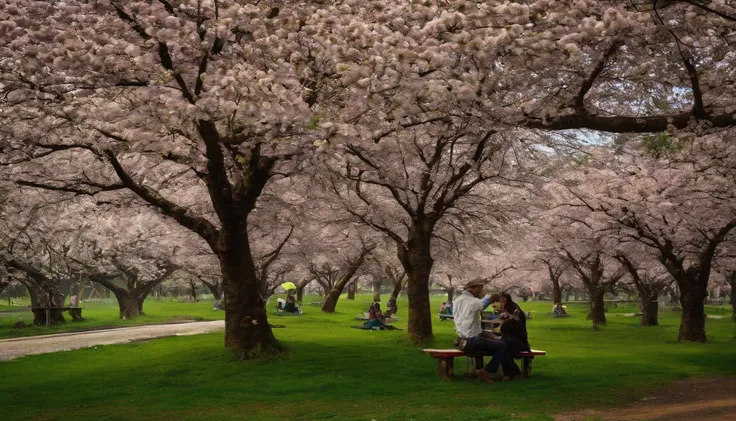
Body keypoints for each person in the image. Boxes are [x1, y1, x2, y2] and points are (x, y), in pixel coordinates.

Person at [452, 278, 507, 384]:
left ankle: (487, 370)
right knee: (502, 346)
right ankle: (486, 371)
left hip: (463, 339)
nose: (481, 291)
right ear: (474, 288)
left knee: (498, 341)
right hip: (471, 341)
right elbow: (482, 304)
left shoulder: (458, 299)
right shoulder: (470, 301)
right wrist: (492, 297)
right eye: (480, 289)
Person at [498, 292, 531, 380]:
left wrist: (505, 320)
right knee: (501, 347)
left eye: (502, 298)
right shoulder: (506, 308)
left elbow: (513, 325)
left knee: (503, 348)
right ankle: (511, 372)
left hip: (518, 341)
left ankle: (511, 373)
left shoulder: (512, 308)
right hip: (512, 339)